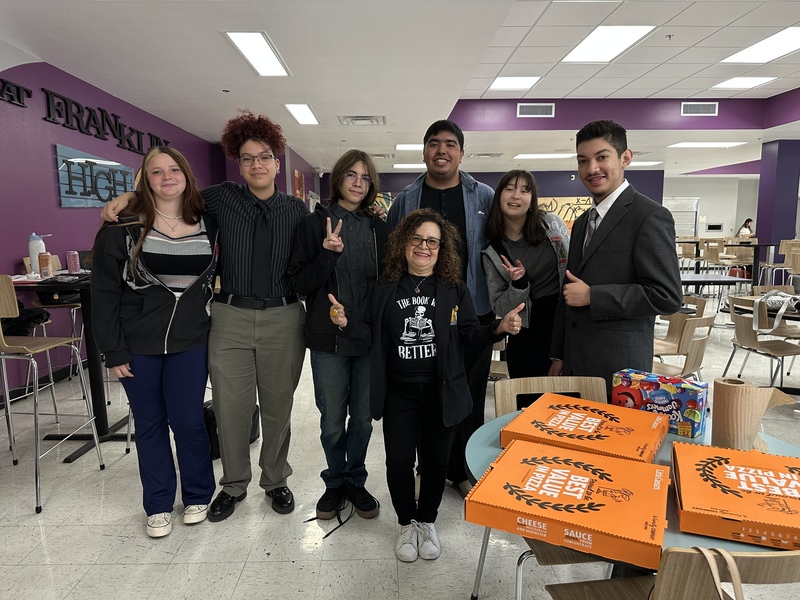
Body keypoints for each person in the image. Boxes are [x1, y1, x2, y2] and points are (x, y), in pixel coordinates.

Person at [101, 111, 308, 521]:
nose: (257, 165)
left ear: (277, 162)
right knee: (231, 408)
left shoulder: (297, 210)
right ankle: (233, 484)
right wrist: (128, 197)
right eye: (247, 159)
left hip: (284, 316)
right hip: (229, 315)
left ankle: (275, 480)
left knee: (278, 407)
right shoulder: (220, 198)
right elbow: (170, 195)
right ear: (238, 164)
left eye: (264, 157)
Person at [328, 208, 523, 562]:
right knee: (398, 461)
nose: (424, 247)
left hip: (440, 393)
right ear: (404, 243)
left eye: (433, 241)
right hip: (398, 395)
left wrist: (497, 328)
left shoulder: (453, 289)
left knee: (435, 462)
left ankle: (427, 521)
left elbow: (469, 336)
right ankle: (407, 522)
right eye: (417, 239)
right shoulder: (385, 288)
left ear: (441, 248)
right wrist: (345, 323)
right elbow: (369, 335)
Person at [91, 146, 218, 538]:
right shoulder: (122, 228)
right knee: (149, 424)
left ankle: (198, 494)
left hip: (191, 340)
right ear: (144, 181)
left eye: (174, 169)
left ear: (186, 175)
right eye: (156, 172)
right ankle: (159, 503)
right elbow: (104, 294)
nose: (167, 178)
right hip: (137, 344)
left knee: (188, 421)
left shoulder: (208, 221)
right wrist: (112, 350)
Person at [387, 119, 494, 497]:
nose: (441, 150)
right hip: (422, 314)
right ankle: (428, 465)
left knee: (468, 398)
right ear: (424, 152)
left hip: (472, 311)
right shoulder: (406, 199)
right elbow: (392, 253)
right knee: (426, 396)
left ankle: (462, 469)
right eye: (434, 143)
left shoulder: (483, 196)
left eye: (450, 144)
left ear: (461, 153)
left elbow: (504, 241)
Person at [289, 150, 389, 521]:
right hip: (328, 340)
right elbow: (298, 283)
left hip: (368, 338)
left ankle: (355, 480)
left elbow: (390, 281)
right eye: (351, 175)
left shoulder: (380, 228)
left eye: (365, 177)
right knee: (332, 419)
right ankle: (334, 482)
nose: (358, 183)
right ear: (338, 178)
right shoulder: (313, 225)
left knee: (362, 419)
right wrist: (327, 256)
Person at [549, 119, 682, 394]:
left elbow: (666, 296)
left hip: (620, 372)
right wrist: (559, 355)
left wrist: (594, 296)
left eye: (602, 157)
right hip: (575, 365)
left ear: (625, 158)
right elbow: (569, 293)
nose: (591, 169)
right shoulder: (583, 222)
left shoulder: (649, 216)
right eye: (583, 161)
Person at [482, 169, 570, 378]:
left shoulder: (552, 225)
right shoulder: (493, 250)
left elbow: (573, 267)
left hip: (561, 325)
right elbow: (500, 306)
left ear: (532, 200)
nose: (516, 196)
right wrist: (518, 284)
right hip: (524, 335)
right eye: (509, 189)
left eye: (524, 191)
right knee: (525, 396)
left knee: (561, 396)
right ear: (499, 196)